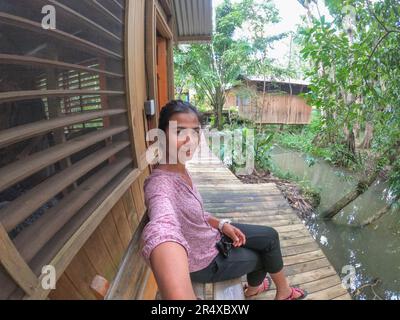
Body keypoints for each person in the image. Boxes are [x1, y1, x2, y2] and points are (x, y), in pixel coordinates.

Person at [140, 100, 307, 300]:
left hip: (210, 236)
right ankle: (281, 292)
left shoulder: (180, 168)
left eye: (195, 132)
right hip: (203, 260)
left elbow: (195, 214)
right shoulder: (160, 184)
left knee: (270, 236)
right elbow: (162, 228)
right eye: (179, 132)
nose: (189, 139)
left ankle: (255, 288)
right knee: (265, 256)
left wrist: (221, 224)